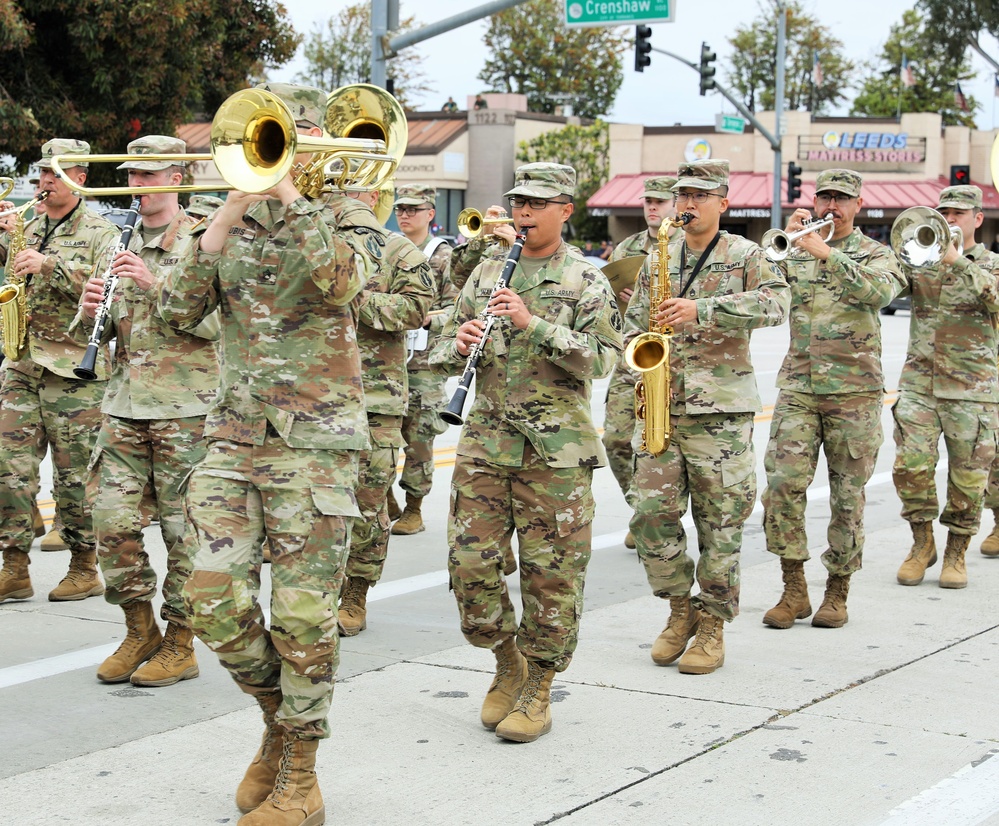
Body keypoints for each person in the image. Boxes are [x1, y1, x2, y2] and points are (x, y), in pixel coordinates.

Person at [158, 83, 372, 825]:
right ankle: (281, 722)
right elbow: (177, 315)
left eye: (295, 134)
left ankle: (301, 776)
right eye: (275, 134)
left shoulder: (347, 218)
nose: (280, 145)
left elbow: (340, 283)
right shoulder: (231, 223)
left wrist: (289, 195)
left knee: (303, 616)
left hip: (316, 444)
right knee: (208, 598)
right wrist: (225, 211)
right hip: (233, 437)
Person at [429, 162, 622, 743]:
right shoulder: (488, 269)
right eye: (519, 202)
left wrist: (533, 324)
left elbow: (605, 358)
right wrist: (455, 339)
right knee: (470, 568)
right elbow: (442, 332)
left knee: (552, 579)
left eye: (538, 204)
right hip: (485, 443)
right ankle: (505, 660)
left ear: (567, 210)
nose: (525, 214)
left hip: (554, 454)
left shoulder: (587, 279)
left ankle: (539, 684)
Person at [624, 159, 789, 675]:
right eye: (681, 195)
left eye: (699, 195)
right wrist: (638, 360)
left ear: (723, 201)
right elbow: (632, 324)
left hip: (720, 412)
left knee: (720, 523)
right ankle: (680, 610)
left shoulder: (746, 253)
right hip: (661, 407)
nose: (687, 204)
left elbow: (778, 303)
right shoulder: (658, 255)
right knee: (650, 516)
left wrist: (705, 311)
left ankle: (713, 622)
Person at [75, 136, 222, 687]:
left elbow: (219, 324)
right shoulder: (120, 239)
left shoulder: (206, 241)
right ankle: (139, 629)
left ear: (177, 177)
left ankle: (181, 641)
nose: (137, 184)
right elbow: (105, 332)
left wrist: (156, 283)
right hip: (123, 404)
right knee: (109, 521)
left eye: (148, 174)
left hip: (188, 410)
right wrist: (93, 308)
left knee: (187, 533)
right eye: (132, 175)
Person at [760, 169, 905, 629]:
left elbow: (881, 292)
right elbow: (764, 288)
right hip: (799, 388)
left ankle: (838, 590)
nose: (831, 207)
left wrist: (829, 255)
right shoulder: (798, 246)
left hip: (855, 393)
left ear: (858, 205)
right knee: (781, 488)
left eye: (841, 199)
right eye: (825, 197)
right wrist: (786, 237)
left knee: (847, 498)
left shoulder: (875, 253)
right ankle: (793, 589)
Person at [0, 139, 118, 604]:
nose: (44, 183)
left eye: (54, 174)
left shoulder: (103, 232)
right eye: (41, 175)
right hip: (23, 362)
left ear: (80, 178)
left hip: (74, 370)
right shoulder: (27, 222)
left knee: (74, 480)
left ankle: (84, 566)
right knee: (9, 468)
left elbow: (106, 291)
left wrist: (49, 265)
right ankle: (13, 566)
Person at [333, 186, 433, 634]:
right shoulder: (308, 236)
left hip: (375, 399)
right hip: (313, 397)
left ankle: (355, 592)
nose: (346, 197)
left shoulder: (396, 248)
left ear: (375, 194)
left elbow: (417, 308)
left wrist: (354, 300)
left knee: (370, 503)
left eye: (355, 187)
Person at [894, 184, 999, 589]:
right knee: (910, 467)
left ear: (977, 219)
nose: (950, 220)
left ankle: (957, 552)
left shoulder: (989, 262)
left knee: (968, 478)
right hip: (920, 384)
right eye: (944, 213)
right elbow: (883, 288)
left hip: (972, 388)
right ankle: (922, 544)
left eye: (957, 213)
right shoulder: (920, 260)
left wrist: (958, 261)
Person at [602, 175, 677, 548]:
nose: (652, 207)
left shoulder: (687, 246)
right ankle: (641, 510)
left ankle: (658, 516)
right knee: (615, 439)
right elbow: (606, 298)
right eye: (648, 200)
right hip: (630, 354)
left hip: (676, 359)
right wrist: (622, 296)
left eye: (660, 202)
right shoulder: (628, 246)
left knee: (664, 445)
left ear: (674, 205)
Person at [387, 183, 457, 535]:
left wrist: (431, 317)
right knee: (379, 433)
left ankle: (414, 506)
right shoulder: (385, 248)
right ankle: (384, 498)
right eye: (401, 208)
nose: (405, 214)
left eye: (413, 209)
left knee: (418, 436)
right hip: (385, 358)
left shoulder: (443, 255)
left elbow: (459, 308)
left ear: (430, 213)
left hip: (424, 362)